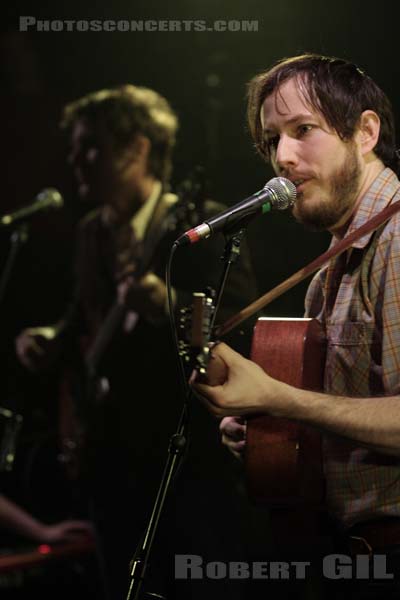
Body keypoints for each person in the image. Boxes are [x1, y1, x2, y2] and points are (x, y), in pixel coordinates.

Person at [15, 84, 259, 599]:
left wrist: (167, 308)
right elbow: (82, 319)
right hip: (108, 459)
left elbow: (240, 326)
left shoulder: (201, 224)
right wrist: (46, 338)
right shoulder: (90, 233)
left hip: (182, 459)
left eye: (91, 146)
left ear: (138, 149)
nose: (75, 159)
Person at [193, 54, 400, 598]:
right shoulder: (332, 266)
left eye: (303, 130)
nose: (282, 157)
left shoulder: (398, 240)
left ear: (366, 132)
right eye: (271, 141)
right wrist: (268, 432)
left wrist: (281, 399)